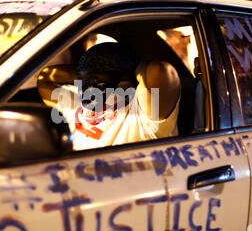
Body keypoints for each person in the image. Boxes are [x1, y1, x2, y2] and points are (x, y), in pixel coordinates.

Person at [37, 42, 181, 151]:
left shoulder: (141, 113)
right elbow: (46, 77)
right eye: (86, 79)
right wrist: (87, 72)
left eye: (97, 77)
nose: (90, 85)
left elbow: (160, 70)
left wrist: (130, 68)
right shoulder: (78, 102)